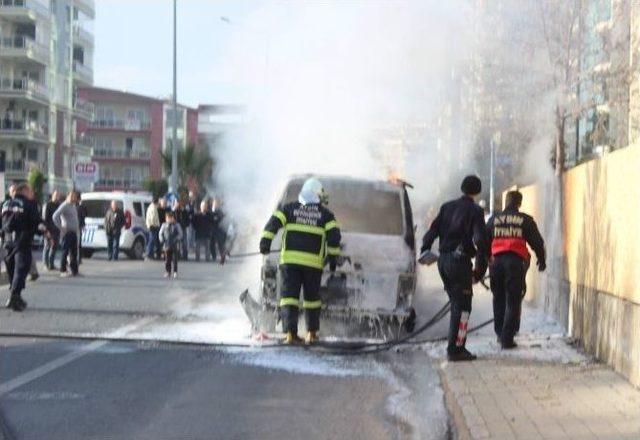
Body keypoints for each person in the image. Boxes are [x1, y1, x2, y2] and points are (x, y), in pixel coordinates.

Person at [260, 177, 341, 345]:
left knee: (289, 298)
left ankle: (290, 334)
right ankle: (311, 334)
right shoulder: (326, 215)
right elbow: (334, 239)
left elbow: (272, 225)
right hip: (313, 266)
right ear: (318, 195)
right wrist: (333, 259)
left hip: (289, 263)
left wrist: (265, 243)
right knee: (312, 300)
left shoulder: (289, 209)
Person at [421, 175, 489, 362]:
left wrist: (425, 249)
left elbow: (432, 231)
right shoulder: (475, 211)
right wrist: (480, 269)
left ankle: (455, 346)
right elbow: (480, 240)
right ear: (477, 191)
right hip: (459, 264)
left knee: (456, 304)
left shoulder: (446, 207)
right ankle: (456, 349)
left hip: (443, 261)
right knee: (463, 308)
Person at [486, 190, 546, 349]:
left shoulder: (494, 220)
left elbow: (483, 241)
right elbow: (538, 243)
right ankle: (507, 338)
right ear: (519, 203)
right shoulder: (525, 220)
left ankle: (500, 334)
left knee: (498, 298)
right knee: (513, 300)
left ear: (506, 202)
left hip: (496, 262)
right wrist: (542, 260)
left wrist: (484, 262)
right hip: (514, 263)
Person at [2, 184, 43, 311]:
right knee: (21, 268)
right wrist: (43, 230)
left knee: (12, 269)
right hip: (22, 240)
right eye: (30, 191)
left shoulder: (5, 204)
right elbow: (36, 222)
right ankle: (14, 296)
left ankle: (16, 295)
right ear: (24, 191)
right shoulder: (29, 204)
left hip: (7, 241)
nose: (32, 194)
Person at [53, 191, 80, 277]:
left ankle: (74, 271)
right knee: (65, 252)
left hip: (73, 232)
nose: (74, 198)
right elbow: (55, 216)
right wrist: (61, 227)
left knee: (74, 252)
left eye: (75, 197)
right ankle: (63, 270)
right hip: (67, 233)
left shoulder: (73, 205)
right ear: (68, 196)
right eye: (72, 196)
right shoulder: (64, 205)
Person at [159, 211, 183, 278]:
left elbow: (180, 234)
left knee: (175, 259)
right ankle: (168, 271)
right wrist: (162, 239)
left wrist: (177, 239)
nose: (169, 219)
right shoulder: (164, 225)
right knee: (167, 260)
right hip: (166, 245)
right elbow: (160, 233)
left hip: (175, 245)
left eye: (170, 218)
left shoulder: (177, 225)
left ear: (173, 218)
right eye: (167, 218)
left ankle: (175, 272)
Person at [42, 190, 61, 270]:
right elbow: (44, 219)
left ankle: (51, 264)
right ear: (52, 195)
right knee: (47, 246)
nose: (57, 196)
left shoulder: (59, 205)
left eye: (58, 195)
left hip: (56, 229)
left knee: (54, 247)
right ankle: (45, 264)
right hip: (49, 229)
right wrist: (46, 231)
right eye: (56, 195)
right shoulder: (47, 205)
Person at [210, 198, 226, 265]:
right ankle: (214, 256)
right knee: (212, 244)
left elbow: (219, 219)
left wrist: (215, 217)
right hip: (212, 230)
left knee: (220, 245)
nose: (214, 204)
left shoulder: (220, 212)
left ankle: (222, 257)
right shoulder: (211, 211)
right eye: (214, 203)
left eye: (215, 203)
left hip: (219, 230)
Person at [77, 193, 87, 265]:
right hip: (77, 226)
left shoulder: (81, 207)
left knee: (78, 243)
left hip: (79, 226)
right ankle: (78, 258)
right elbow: (85, 215)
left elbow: (85, 214)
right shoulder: (79, 207)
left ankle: (78, 258)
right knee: (78, 243)